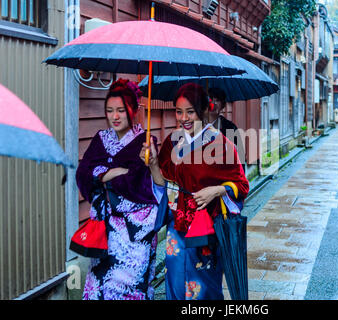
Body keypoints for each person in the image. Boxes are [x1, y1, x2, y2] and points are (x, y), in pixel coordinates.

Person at [142, 83, 249, 300]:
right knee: (174, 281)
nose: (184, 118)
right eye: (179, 111)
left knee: (203, 287)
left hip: (205, 227)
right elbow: (164, 184)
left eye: (190, 111)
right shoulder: (172, 142)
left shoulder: (222, 144)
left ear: (202, 110)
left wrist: (217, 190)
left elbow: (242, 185)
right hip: (177, 225)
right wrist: (153, 164)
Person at [76, 78, 165, 300]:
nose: (114, 117)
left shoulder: (145, 142)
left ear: (133, 110)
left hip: (136, 231)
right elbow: (83, 174)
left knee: (129, 287)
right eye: (109, 110)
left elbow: (140, 184)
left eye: (120, 110)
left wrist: (102, 175)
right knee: (100, 286)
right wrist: (113, 173)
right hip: (104, 231)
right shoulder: (100, 139)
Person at [207, 87, 246, 172]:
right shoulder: (196, 128)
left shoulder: (230, 128)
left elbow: (240, 159)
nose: (213, 103)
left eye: (216, 100)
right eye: (210, 99)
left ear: (223, 105)